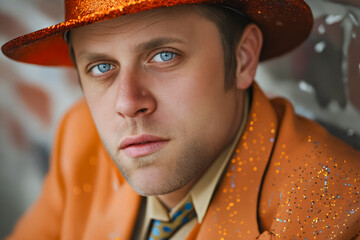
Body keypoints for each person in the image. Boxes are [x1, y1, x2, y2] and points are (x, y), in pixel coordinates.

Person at [2, 0, 360, 239]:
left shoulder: (337, 208)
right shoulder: (80, 136)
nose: (128, 104)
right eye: (101, 67)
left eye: (164, 56)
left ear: (243, 58)